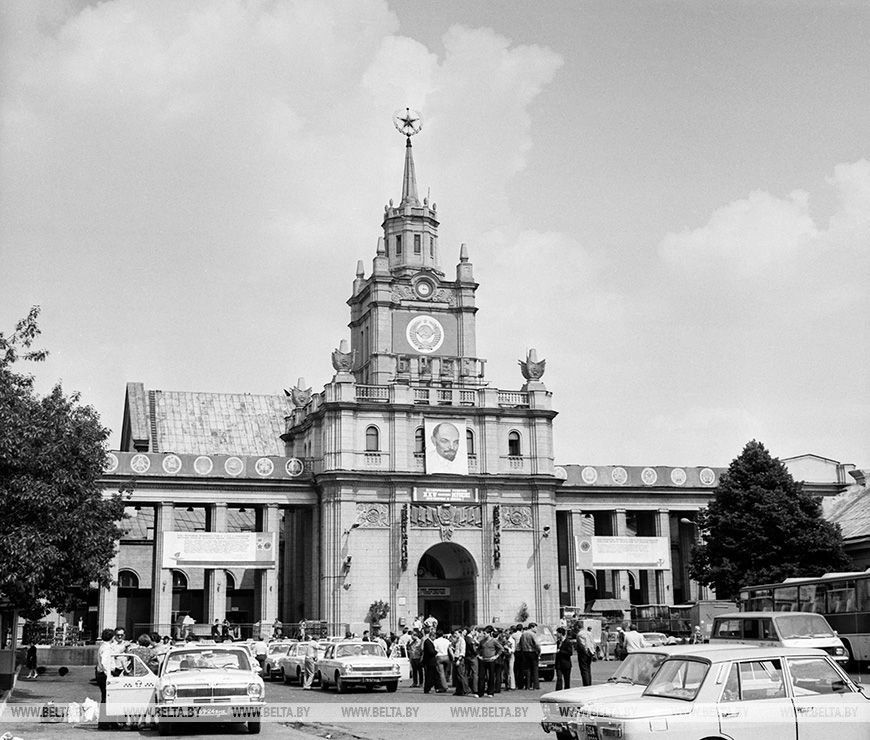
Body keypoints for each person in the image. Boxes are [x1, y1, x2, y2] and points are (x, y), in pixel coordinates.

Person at [476, 626, 503, 697]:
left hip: (491, 661)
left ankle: (490, 692)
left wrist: (496, 656)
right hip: (483, 660)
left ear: (489, 633)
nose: (484, 635)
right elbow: (478, 649)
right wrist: (479, 656)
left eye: (485, 633)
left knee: (491, 676)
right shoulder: (482, 641)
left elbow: (501, 649)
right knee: (481, 677)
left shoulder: (494, 641)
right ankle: (480, 693)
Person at [516, 622, 541, 690]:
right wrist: (539, 651)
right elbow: (537, 644)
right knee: (535, 669)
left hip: (525, 652)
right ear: (532, 627)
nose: (536, 629)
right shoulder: (533, 634)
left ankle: (527, 685)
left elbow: (520, 643)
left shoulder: (523, 634)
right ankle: (535, 685)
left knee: (527, 669)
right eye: (535, 627)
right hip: (532, 652)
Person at [450, 628, 470, 696]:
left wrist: (459, 659)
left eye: (456, 633)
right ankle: (458, 690)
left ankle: (466, 690)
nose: (455, 634)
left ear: (460, 633)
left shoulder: (462, 640)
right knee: (457, 675)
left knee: (461, 675)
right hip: (456, 657)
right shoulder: (457, 640)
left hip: (459, 658)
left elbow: (462, 651)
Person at [422, 628, 439, 694]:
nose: (434, 639)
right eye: (434, 637)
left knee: (432, 675)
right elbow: (431, 652)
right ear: (432, 636)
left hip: (431, 661)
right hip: (429, 662)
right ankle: (427, 688)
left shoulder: (429, 642)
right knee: (429, 675)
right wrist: (436, 651)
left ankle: (432, 687)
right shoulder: (428, 642)